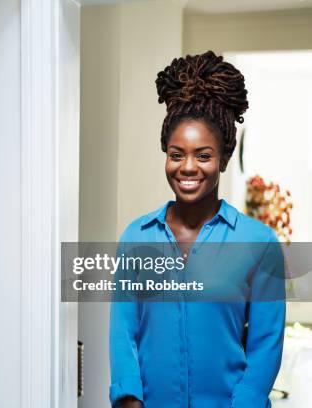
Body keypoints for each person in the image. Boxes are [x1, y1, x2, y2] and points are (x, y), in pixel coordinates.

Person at [109, 51, 285, 408]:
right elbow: (122, 330)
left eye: (203, 155)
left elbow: (266, 343)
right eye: (177, 154)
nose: (188, 167)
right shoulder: (136, 237)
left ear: (223, 157)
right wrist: (129, 399)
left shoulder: (258, 242)